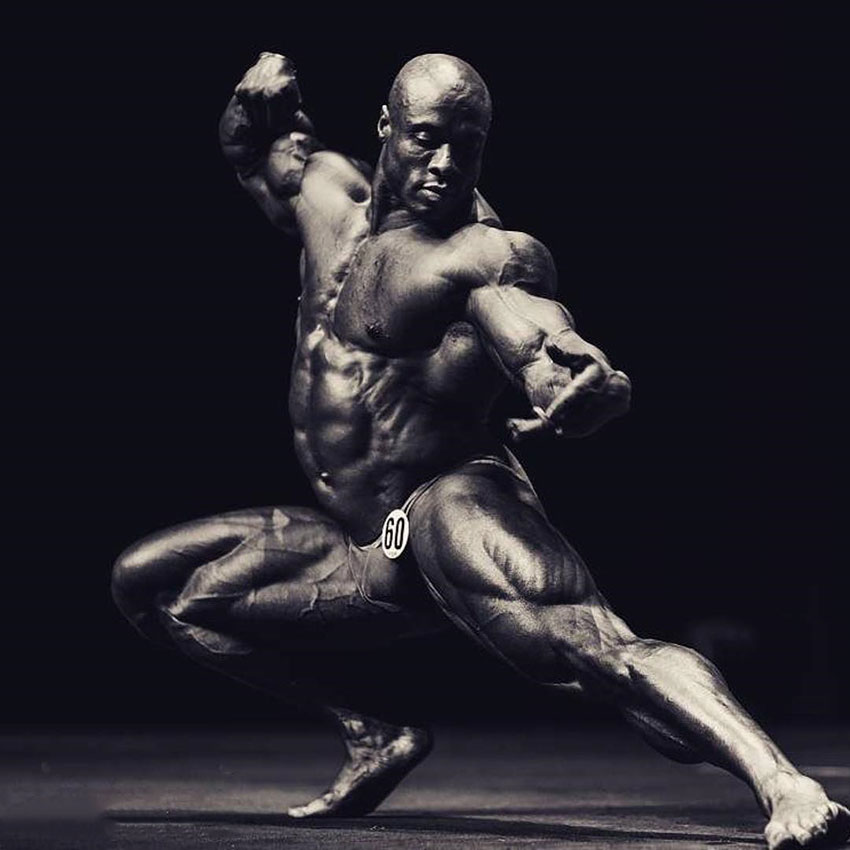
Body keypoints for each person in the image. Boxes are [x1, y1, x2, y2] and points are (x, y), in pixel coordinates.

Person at [111, 52, 849, 848]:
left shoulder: (482, 257)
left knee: (591, 646)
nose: (446, 164)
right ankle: (373, 734)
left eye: (469, 145)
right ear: (386, 128)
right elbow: (257, 158)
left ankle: (780, 781)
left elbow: (536, 334)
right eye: (428, 139)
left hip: (447, 503)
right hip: (367, 545)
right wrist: (252, 105)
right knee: (154, 589)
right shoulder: (329, 193)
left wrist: (577, 378)